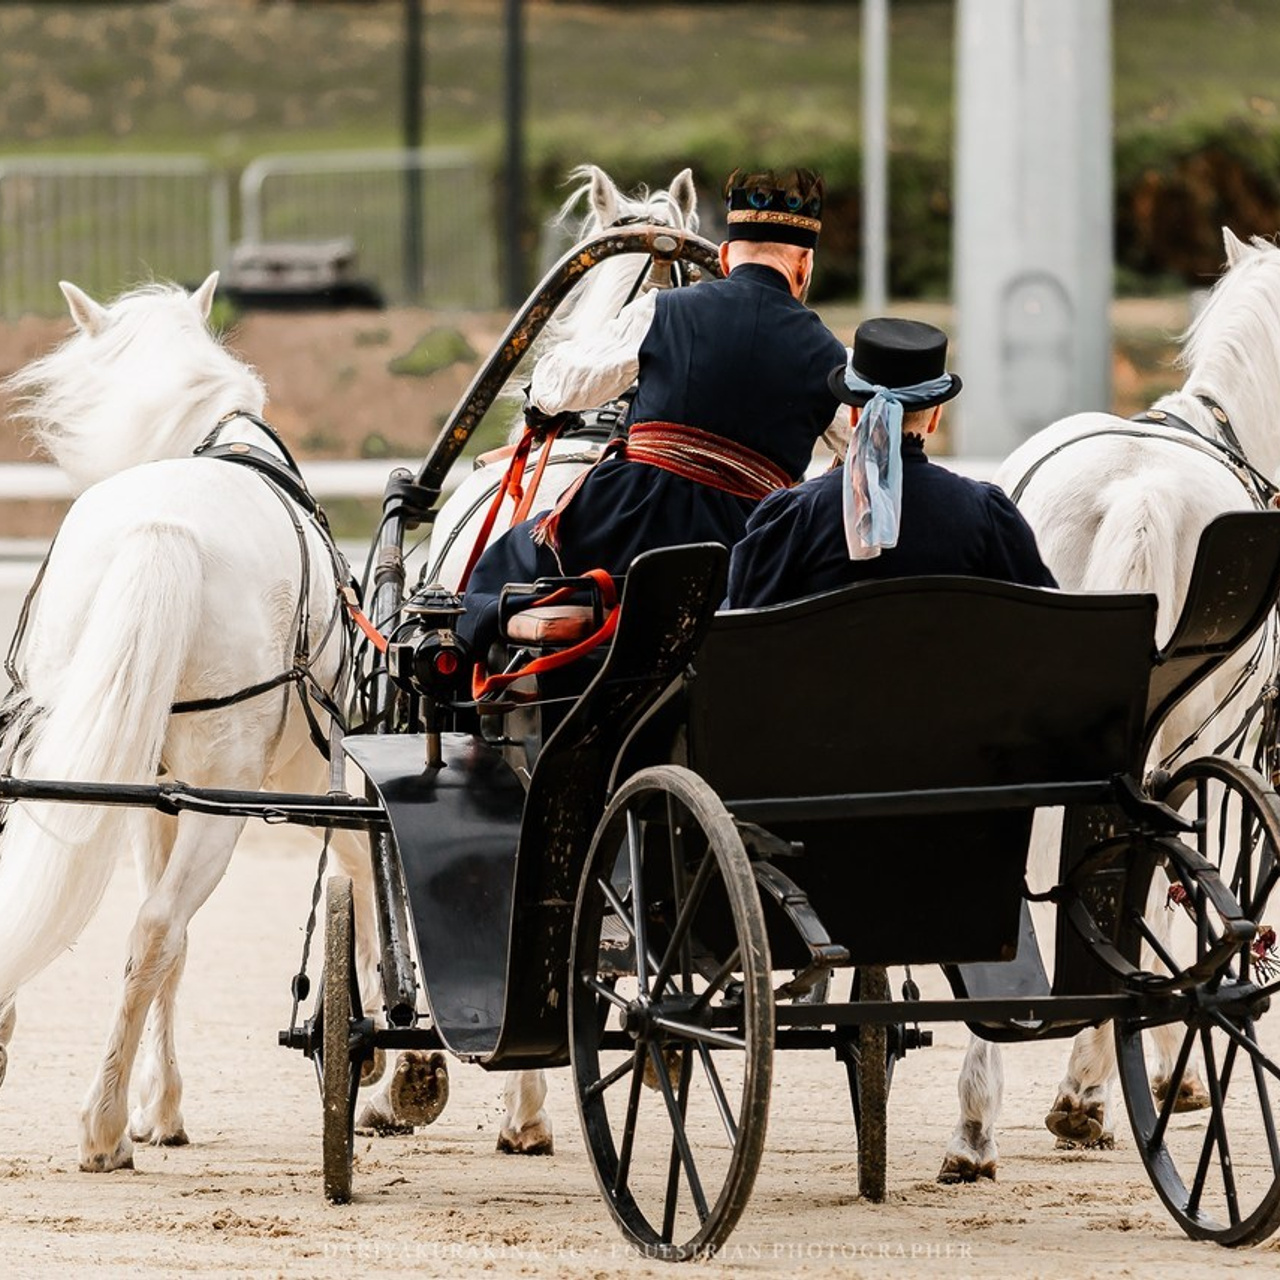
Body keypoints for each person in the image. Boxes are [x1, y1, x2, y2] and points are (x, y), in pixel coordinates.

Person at [458, 166, 847, 654]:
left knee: (502, 568)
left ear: (725, 257)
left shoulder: (664, 310)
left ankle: (461, 672)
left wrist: (539, 400)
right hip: (749, 552)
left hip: (629, 526)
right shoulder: (829, 355)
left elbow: (561, 383)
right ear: (804, 265)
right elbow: (868, 446)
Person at [725, 316, 1057, 608]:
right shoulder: (986, 516)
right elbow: (1045, 620)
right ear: (934, 418)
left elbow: (737, 631)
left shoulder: (795, 518)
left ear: (854, 412)